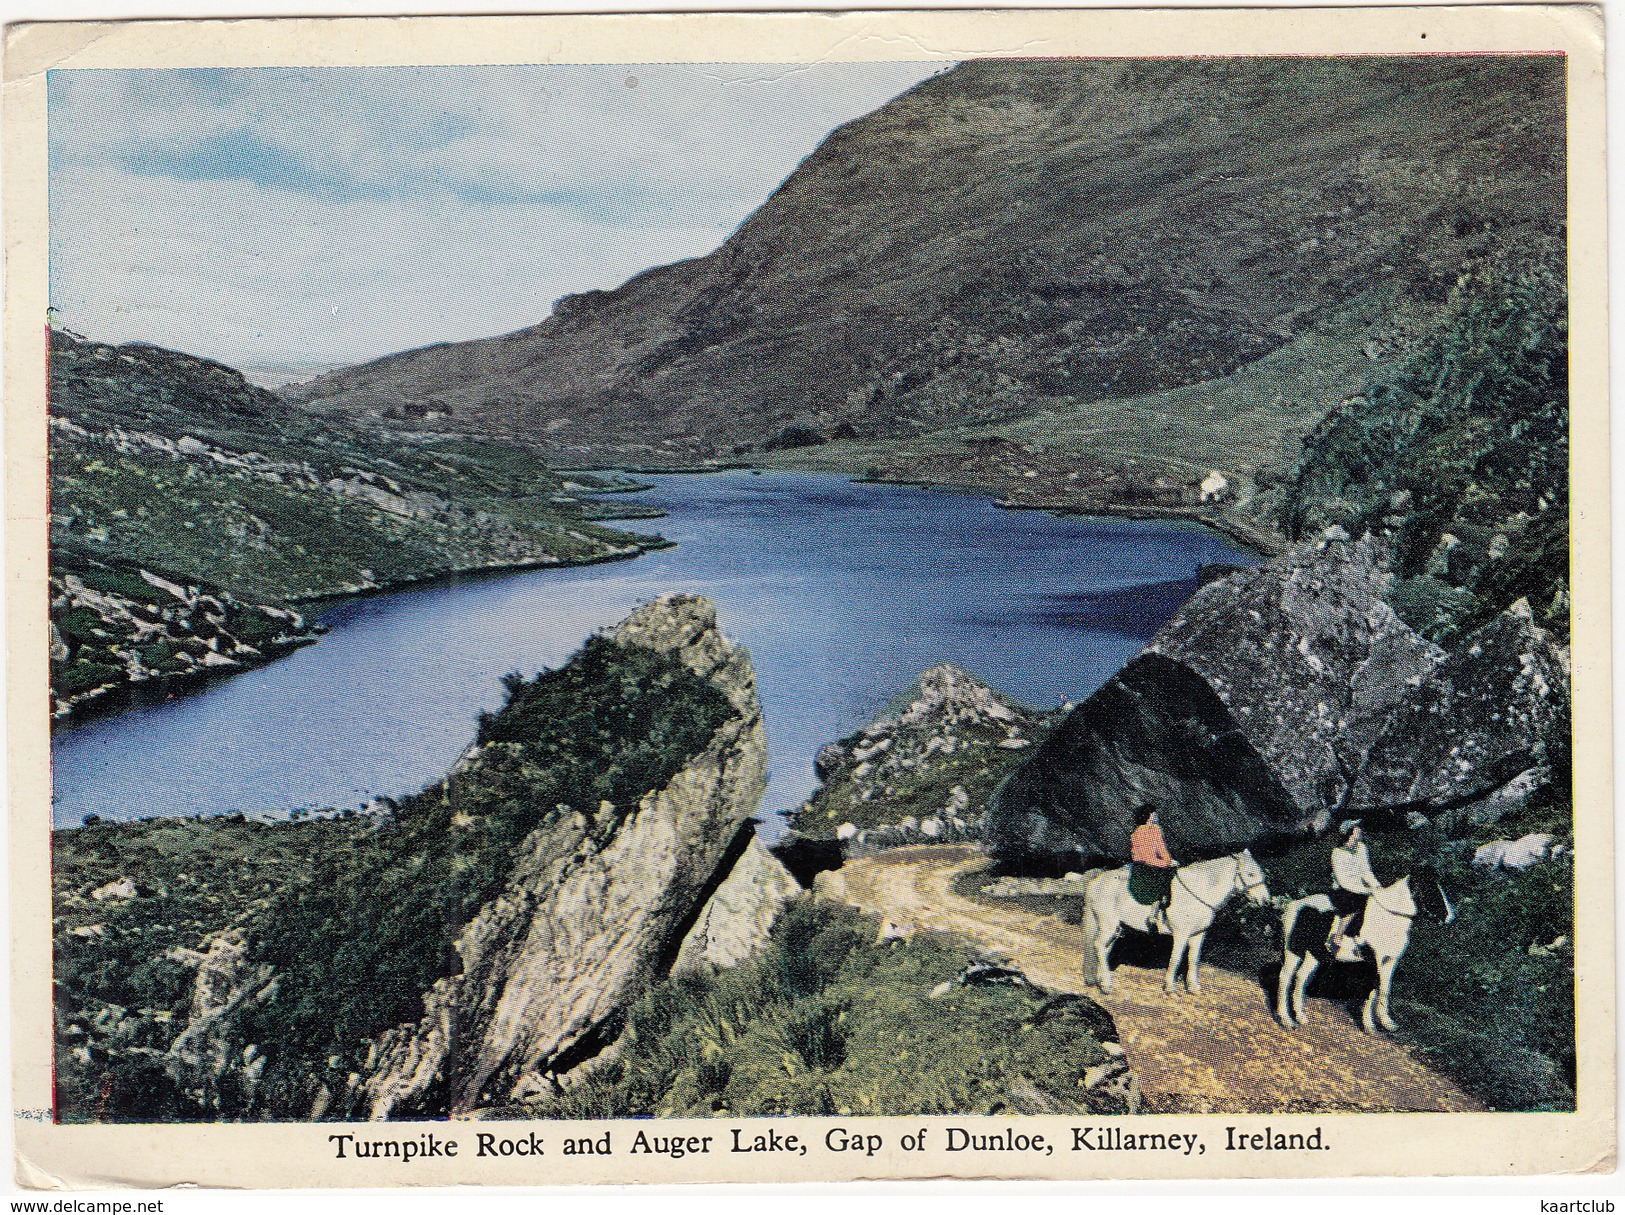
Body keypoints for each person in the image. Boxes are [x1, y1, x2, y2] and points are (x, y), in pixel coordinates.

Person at [1327, 820, 1383, 958]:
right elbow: (1344, 881)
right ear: (1347, 835)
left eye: (1358, 833)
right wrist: (1366, 891)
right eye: (1354, 834)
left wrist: (1377, 886)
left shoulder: (1361, 848)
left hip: (1362, 889)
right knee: (1356, 906)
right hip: (1342, 890)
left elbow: (1366, 872)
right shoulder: (1337, 853)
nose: (1357, 837)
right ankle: (1338, 938)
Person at [1129, 805, 1178, 932]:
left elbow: (1162, 849)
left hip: (1158, 864)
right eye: (1152, 813)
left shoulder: (1156, 829)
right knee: (1157, 879)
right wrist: (1163, 864)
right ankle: (1154, 914)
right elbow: (1145, 857)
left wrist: (1168, 861)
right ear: (1146, 816)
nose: (1155, 815)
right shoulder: (1138, 832)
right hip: (1143, 866)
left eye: (1155, 813)